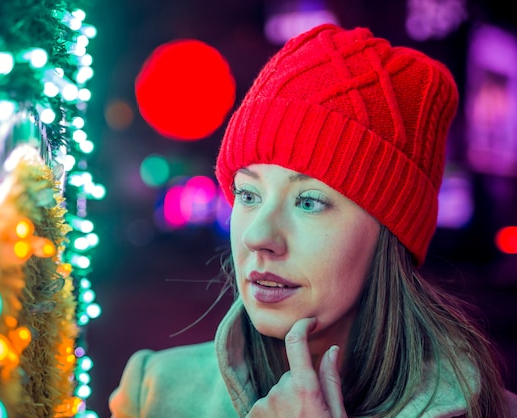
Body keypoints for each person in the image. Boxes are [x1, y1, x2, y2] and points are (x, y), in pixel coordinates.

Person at [109, 23, 517, 417]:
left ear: (390, 234)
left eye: (309, 201)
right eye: (248, 195)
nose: (258, 236)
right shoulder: (155, 393)